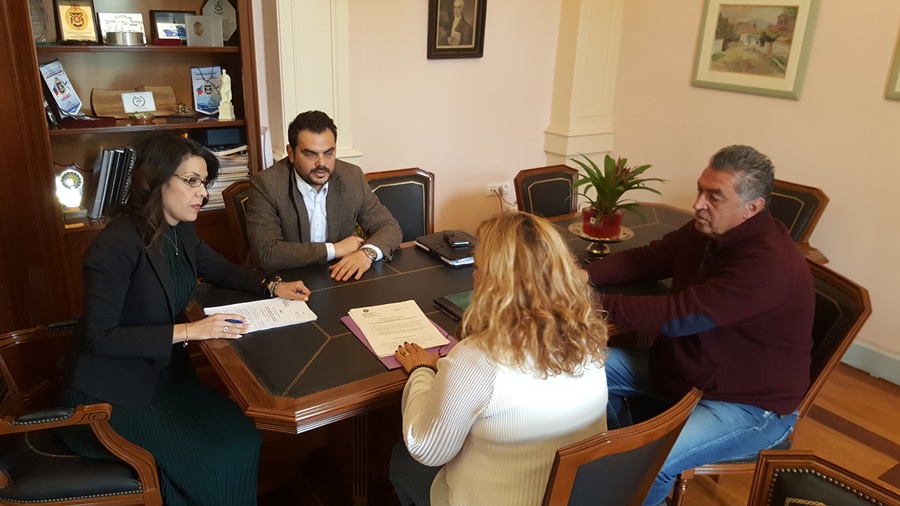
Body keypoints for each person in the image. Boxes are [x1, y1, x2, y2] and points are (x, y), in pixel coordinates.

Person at [57, 131, 312, 506]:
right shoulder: (115, 244)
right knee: (218, 452)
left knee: (243, 435)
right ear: (155, 179)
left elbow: (222, 270)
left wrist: (274, 285)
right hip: (112, 393)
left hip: (164, 374)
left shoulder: (179, 228)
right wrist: (191, 330)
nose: (202, 193)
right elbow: (100, 337)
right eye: (192, 181)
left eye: (204, 183)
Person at [582, 145, 815, 505]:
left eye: (714, 197)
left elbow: (678, 316)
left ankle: (626, 467)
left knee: (649, 464)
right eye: (700, 190)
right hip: (688, 374)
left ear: (753, 207)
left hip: (747, 405)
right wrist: (581, 277)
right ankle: (620, 454)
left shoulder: (768, 263)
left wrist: (578, 301)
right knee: (580, 370)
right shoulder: (709, 230)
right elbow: (648, 259)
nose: (698, 204)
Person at [390, 212, 610, 505]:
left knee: (402, 459)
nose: (473, 275)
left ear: (498, 282)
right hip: (573, 497)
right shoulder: (588, 339)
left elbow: (427, 449)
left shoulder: (479, 358)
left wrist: (421, 371)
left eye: (477, 267)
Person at [246, 110, 402, 281]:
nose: (321, 163)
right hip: (285, 281)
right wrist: (334, 249)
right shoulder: (266, 185)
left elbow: (389, 226)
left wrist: (367, 253)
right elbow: (267, 253)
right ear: (291, 153)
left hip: (337, 277)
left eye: (328, 153)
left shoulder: (352, 177)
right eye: (310, 154)